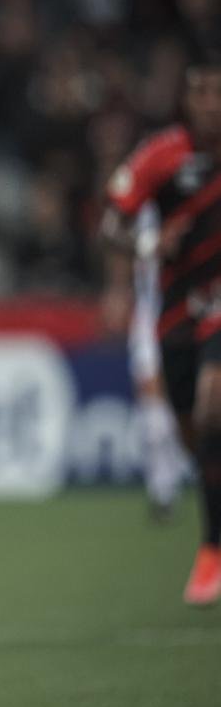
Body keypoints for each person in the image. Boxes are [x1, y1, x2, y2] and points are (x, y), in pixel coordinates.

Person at [101, 53, 221, 606]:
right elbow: (112, 223)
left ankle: (212, 549)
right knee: (192, 434)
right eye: (200, 92)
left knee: (211, 407)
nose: (209, 105)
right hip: (172, 313)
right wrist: (148, 246)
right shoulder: (162, 155)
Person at [101, 205, 192, 522]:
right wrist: (118, 288)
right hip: (150, 313)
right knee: (152, 410)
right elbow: (116, 234)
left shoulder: (200, 194)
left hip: (195, 311)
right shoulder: (144, 197)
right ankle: (162, 489)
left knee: (191, 405)